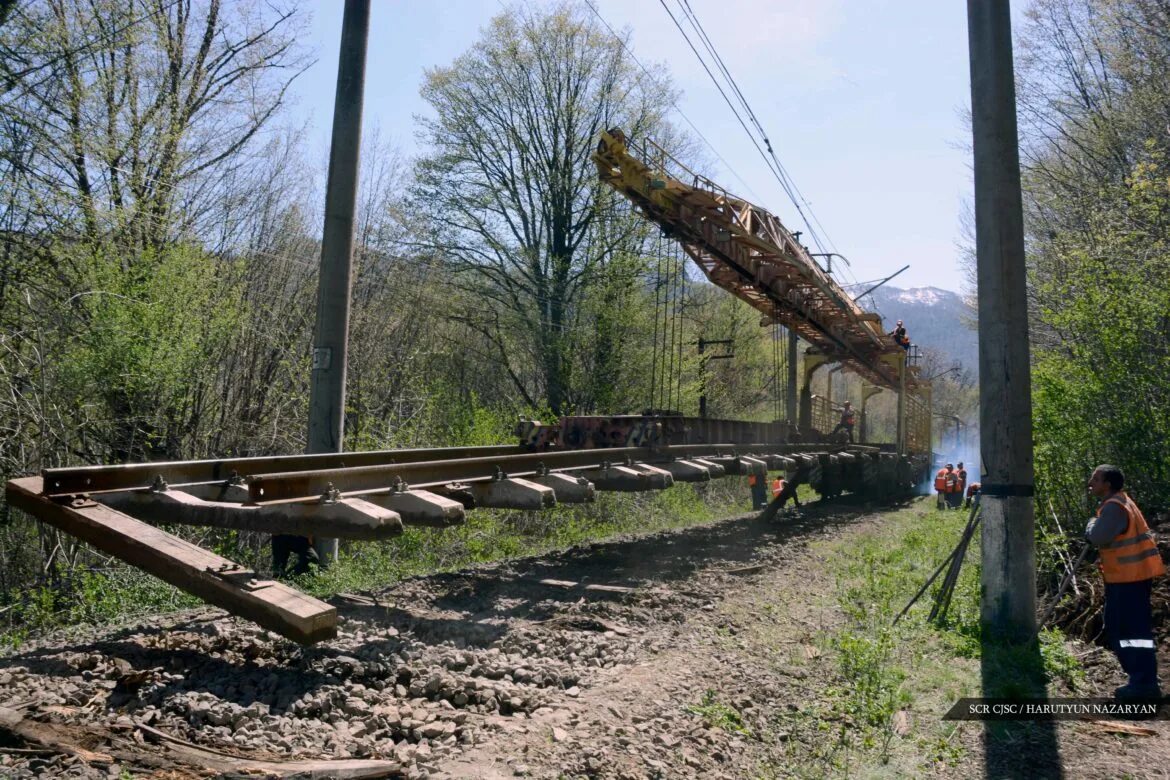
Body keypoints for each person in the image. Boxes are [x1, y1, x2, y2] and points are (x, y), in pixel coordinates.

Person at [1084, 464, 1166, 700]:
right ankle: (1144, 678)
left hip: (1127, 580)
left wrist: (1090, 525)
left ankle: (1143, 683)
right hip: (1131, 578)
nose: (1091, 482)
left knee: (1127, 629)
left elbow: (1097, 536)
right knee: (1132, 629)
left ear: (1107, 484)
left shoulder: (1114, 507)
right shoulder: (1122, 501)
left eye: (1095, 479)